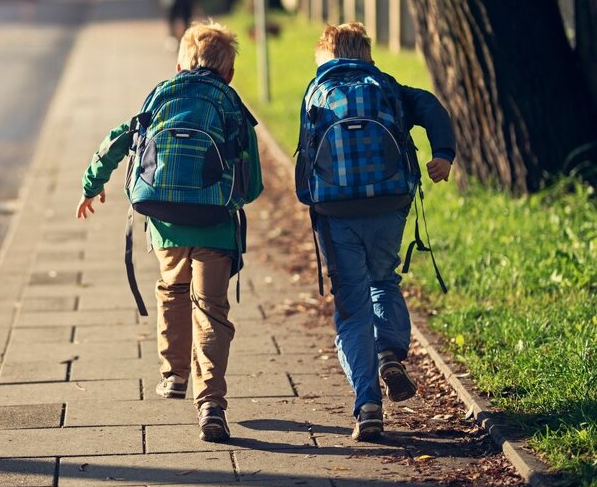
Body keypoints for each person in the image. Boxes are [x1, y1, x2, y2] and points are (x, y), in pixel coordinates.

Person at [75, 22, 263, 441]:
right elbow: (251, 179)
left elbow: (120, 138)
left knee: (172, 290)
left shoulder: (162, 93)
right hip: (214, 224)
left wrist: (92, 185)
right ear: (228, 73)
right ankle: (211, 402)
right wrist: (236, 198)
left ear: (180, 63)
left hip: (164, 220)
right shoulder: (230, 102)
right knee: (211, 309)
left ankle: (174, 374)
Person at [298, 23, 455, 441]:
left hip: (336, 210)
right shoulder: (385, 84)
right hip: (389, 202)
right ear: (366, 53)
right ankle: (389, 352)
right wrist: (443, 155)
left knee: (351, 302)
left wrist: (311, 200)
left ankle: (367, 406)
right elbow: (431, 107)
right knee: (383, 280)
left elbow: (305, 156)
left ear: (327, 56)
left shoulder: (318, 90)